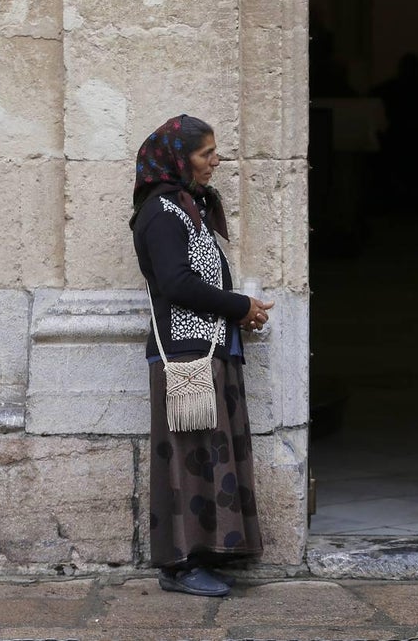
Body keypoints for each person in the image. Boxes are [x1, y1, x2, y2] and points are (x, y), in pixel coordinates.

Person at [130, 115, 275, 597]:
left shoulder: (187, 207)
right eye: (205, 153)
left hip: (211, 347)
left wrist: (239, 315)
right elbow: (176, 284)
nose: (216, 161)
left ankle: (208, 553)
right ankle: (179, 566)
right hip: (186, 353)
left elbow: (203, 281)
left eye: (215, 151)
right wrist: (240, 306)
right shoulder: (161, 212)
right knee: (185, 459)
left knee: (210, 454)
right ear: (178, 158)